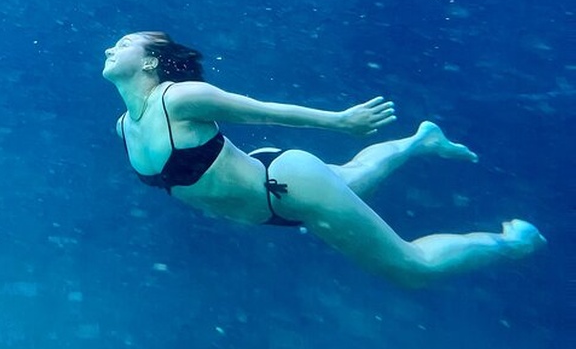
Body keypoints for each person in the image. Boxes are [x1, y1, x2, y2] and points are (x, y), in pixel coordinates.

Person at [102, 31, 547, 288]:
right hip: (274, 198)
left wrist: (341, 122)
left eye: (124, 44)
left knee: (413, 269)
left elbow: (263, 109)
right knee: (352, 177)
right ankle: (420, 140)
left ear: (151, 61)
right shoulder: (125, 125)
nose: (110, 49)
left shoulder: (178, 98)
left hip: (287, 186)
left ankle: (512, 242)